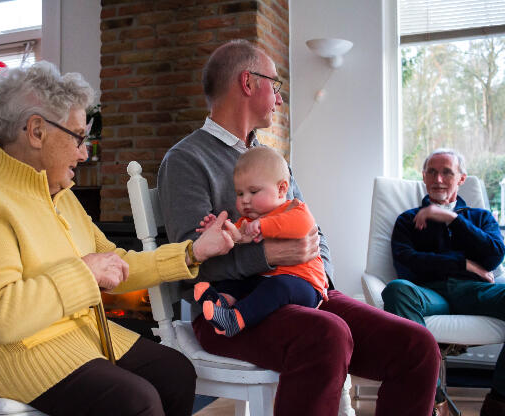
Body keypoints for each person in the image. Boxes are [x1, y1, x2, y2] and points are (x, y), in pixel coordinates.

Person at [0, 61, 235, 416]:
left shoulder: (57, 194)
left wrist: (192, 253)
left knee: (175, 372)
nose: (84, 152)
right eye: (79, 137)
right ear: (36, 131)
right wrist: (86, 273)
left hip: (64, 334)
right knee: (135, 402)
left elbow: (115, 262)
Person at [158, 39, 441, 416]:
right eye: (274, 85)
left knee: (418, 346)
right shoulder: (186, 160)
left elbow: (313, 233)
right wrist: (268, 255)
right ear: (247, 82)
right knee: (327, 335)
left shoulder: (270, 160)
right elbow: (188, 264)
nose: (279, 98)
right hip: (230, 311)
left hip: (304, 291)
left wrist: (318, 279)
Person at [382, 148, 505, 416]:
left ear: (461, 179)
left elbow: (494, 255)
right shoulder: (407, 220)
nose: (438, 179)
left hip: (474, 292)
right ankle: (434, 398)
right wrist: (463, 264)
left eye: (447, 172)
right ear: (424, 177)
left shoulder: (480, 218)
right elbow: (407, 264)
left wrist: (453, 219)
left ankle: (499, 400)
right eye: (432, 172)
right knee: (396, 290)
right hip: (430, 294)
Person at [193, 146, 328, 337]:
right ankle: (220, 302)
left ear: (281, 189)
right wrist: (217, 231)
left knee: (278, 286)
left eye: (253, 192)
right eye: (239, 194)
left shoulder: (295, 210)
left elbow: (300, 227)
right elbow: (235, 238)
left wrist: (263, 226)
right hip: (264, 279)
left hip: (303, 286)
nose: (245, 200)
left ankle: (235, 321)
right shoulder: (247, 222)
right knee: (237, 280)